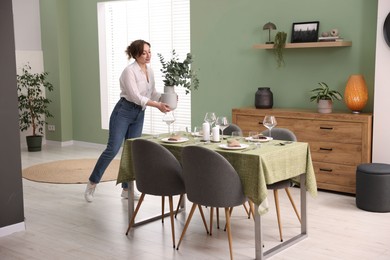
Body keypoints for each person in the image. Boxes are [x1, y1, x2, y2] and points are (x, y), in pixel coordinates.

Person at [85, 39, 171, 202]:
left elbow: (151, 93)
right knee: (113, 148)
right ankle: (92, 183)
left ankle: (126, 189)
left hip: (139, 114)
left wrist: (167, 98)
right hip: (123, 112)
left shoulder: (149, 71)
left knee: (131, 151)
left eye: (149, 51)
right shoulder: (129, 71)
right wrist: (157, 105)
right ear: (135, 54)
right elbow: (135, 97)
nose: (147, 55)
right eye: (144, 52)